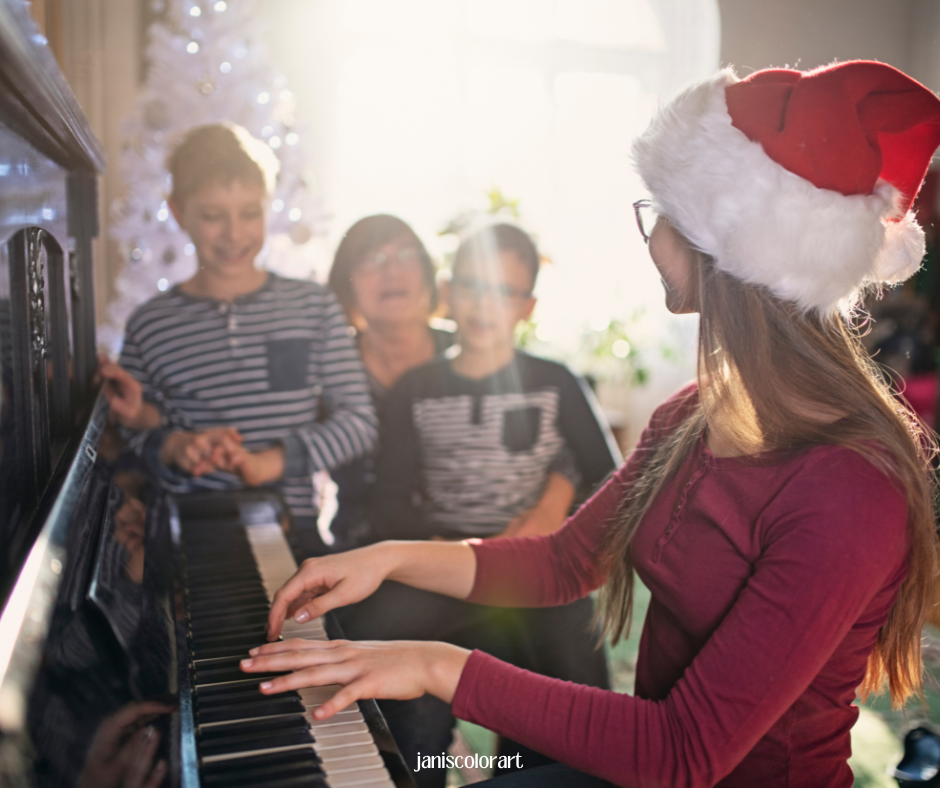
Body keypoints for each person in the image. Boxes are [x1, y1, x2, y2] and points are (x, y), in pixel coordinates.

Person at [241, 61, 940, 787]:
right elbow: (565, 562)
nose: (650, 236)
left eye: (662, 213)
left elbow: (681, 754)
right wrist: (388, 556)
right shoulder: (692, 414)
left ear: (719, 248)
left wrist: (434, 664)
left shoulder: (849, 492)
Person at [326, 217, 617, 786]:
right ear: (449, 292)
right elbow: (390, 503)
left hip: (539, 568)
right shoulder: (415, 389)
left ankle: (532, 770)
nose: (484, 305)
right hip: (445, 566)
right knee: (366, 641)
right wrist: (452, 553)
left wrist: (554, 512)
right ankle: (415, 770)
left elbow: (612, 482)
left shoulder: (557, 382)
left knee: (579, 696)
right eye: (472, 287)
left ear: (527, 306)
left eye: (503, 291)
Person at [106, 123, 377, 557]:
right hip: (186, 524)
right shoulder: (150, 323)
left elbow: (359, 423)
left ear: (268, 208)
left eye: (250, 213)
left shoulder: (313, 305)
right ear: (179, 213)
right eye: (213, 216)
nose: (234, 233)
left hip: (289, 522)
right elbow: (131, 432)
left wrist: (272, 460)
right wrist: (174, 447)